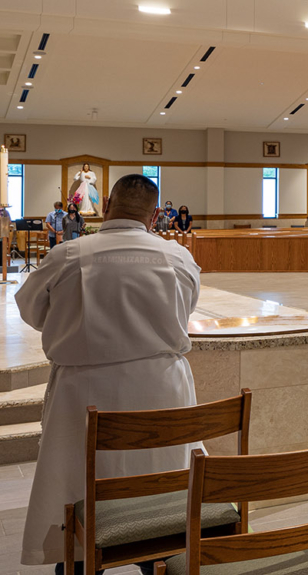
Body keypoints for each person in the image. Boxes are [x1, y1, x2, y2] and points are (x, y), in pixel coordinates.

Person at [18, 174, 200, 567]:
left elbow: (30, 309)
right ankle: (160, 551)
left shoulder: (69, 254)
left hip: (83, 390)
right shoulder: (177, 256)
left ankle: (80, 557)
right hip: (162, 389)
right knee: (160, 476)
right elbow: (188, 307)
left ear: (105, 207)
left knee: (78, 480)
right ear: (154, 216)